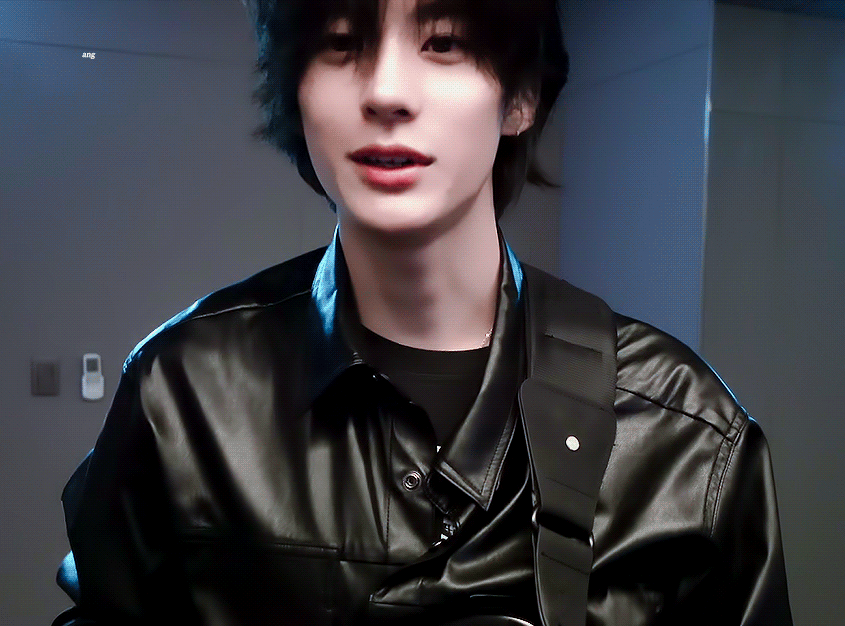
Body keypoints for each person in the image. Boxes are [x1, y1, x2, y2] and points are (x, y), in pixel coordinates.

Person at [52, 0, 793, 624]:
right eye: (342, 43)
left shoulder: (686, 438)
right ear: (297, 92)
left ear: (521, 97)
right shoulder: (182, 391)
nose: (385, 91)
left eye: (443, 42)